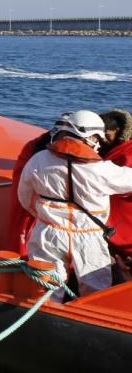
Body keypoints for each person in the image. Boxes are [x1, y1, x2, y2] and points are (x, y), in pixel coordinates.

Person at [18, 110, 132, 300]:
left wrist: (44, 217)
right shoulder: (102, 170)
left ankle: (44, 319)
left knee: (46, 289)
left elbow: (25, 196)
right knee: (96, 291)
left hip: (48, 233)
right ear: (91, 137)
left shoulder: (38, 160)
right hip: (89, 238)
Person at [101, 109, 132, 271]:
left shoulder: (127, 152)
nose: (102, 139)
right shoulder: (114, 149)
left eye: (106, 134)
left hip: (121, 224)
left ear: (117, 131)